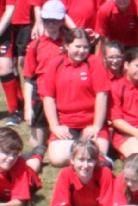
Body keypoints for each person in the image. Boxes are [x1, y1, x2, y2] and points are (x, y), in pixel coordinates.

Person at [39, 28, 110, 167]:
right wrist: (55, 127)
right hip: (67, 124)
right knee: (58, 159)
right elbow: (48, 97)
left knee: (95, 156)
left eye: (85, 47)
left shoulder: (94, 62)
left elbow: (102, 94)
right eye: (77, 46)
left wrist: (96, 126)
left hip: (90, 123)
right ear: (67, 45)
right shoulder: (56, 63)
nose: (81, 51)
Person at [50, 138, 114, 206]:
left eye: (90, 160)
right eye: (81, 160)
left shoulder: (104, 173)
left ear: (96, 161)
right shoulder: (66, 173)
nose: (85, 165)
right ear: (72, 160)